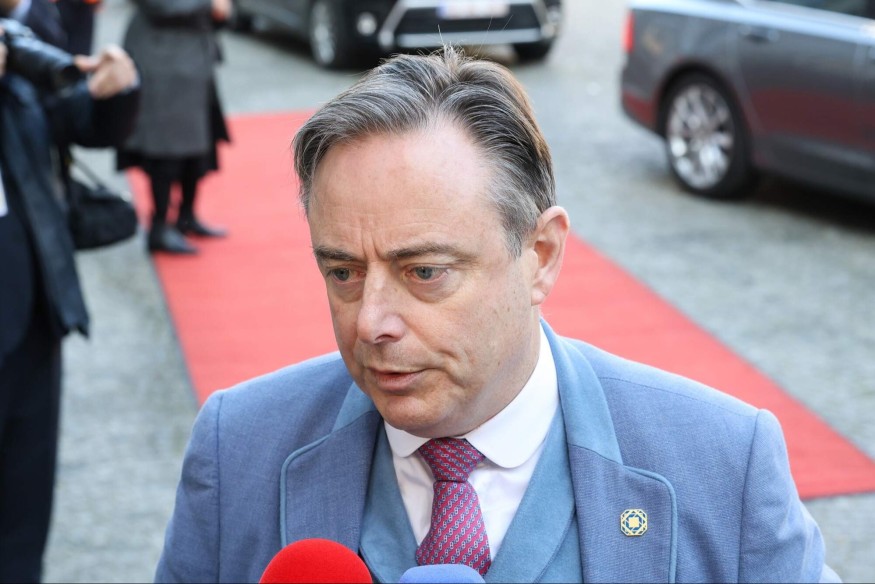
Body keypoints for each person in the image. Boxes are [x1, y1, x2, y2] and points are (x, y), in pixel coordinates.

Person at [154, 48, 839, 583]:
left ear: (540, 255)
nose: (370, 323)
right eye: (343, 273)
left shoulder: (723, 464)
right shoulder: (238, 450)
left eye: (425, 272)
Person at [0, 21, 139, 583]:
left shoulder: (15, 48)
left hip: (32, 314)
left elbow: (79, 121)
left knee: (23, 519)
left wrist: (114, 91)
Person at [117, 0, 231, 255]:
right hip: (161, 60)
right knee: (164, 149)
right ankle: (159, 226)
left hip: (194, 58)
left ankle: (186, 216)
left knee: (198, 144)